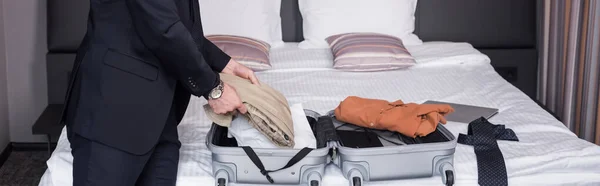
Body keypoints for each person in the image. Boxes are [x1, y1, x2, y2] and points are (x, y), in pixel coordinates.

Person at [59, 0, 258, 185]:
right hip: (113, 113)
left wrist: (225, 64)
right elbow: (163, 27)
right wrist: (214, 89)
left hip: (161, 116)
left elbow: (179, 26)